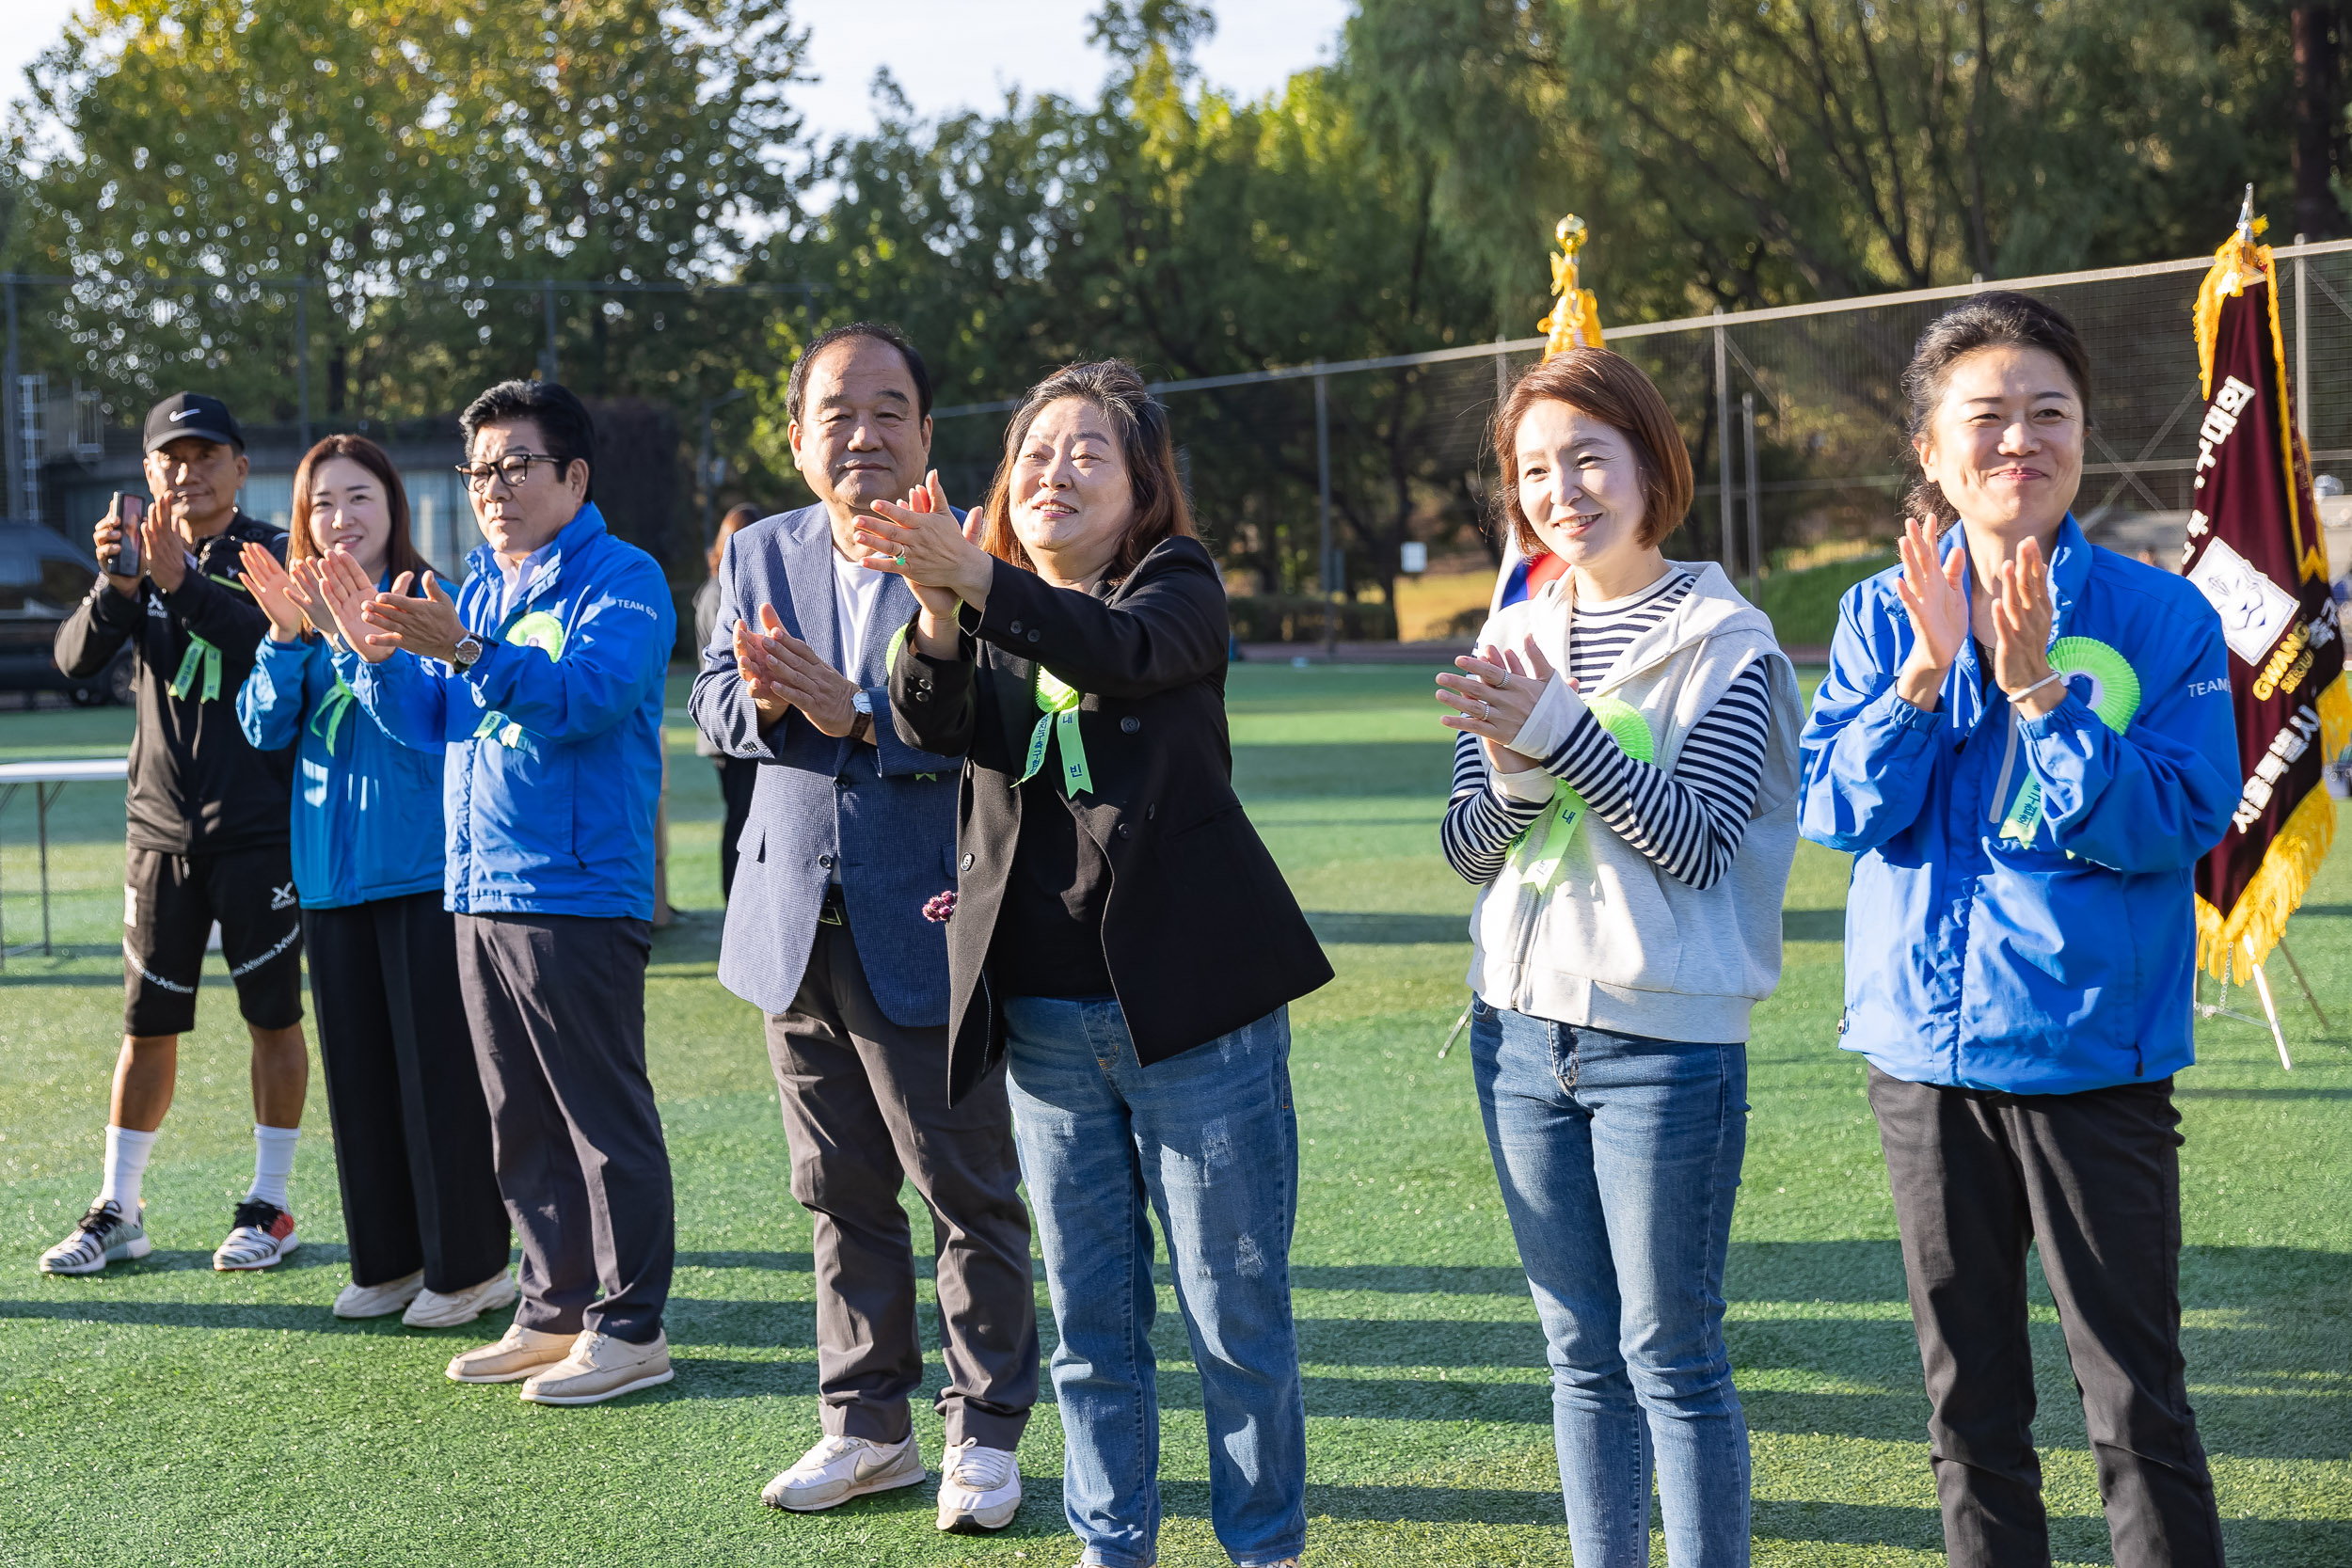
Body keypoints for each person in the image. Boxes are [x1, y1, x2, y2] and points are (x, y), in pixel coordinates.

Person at [862, 359, 1331, 1568]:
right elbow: (927, 720)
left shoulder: (1174, 584)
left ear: (1141, 487)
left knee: (1234, 1317)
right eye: (1031, 454)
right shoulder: (990, 607)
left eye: (1085, 453)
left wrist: (985, 583)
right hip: (1046, 1022)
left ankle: (1261, 1547)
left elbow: (1124, 651)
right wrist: (937, 608)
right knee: (1092, 1322)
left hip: (1194, 1016)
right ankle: (1111, 1541)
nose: (1052, 472)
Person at [1798, 293, 2239, 1565]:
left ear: (2085, 438)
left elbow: (2178, 816)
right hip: (1922, 1065)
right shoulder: (1884, 613)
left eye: (2051, 412)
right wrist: (1928, 674)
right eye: (1985, 417)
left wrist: (2041, 683)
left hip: (2092, 1059)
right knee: (1969, 1404)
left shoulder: (2167, 621)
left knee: (2135, 1404)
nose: (2020, 440)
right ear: (1931, 452)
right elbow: (1836, 806)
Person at [1434, 348, 1801, 1566]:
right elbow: (1466, 848)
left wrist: (1561, 735)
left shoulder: (1728, 641)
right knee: (1579, 1353)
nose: (1562, 489)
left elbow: (1696, 842)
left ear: (1652, 463)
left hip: (1666, 1045)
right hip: (1519, 1039)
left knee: (1672, 1355)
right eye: (1534, 469)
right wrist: (1510, 783)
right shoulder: (1515, 626)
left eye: (1588, 456)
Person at [691, 323, 1037, 1530]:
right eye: (837, 412)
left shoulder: (978, 548)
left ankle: (984, 1433)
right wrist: (773, 697)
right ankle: (865, 1423)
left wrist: (865, 720)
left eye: (889, 408)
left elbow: (1008, 716)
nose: (864, 432)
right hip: (791, 916)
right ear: (797, 441)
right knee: (836, 1189)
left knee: (964, 1186)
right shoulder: (761, 551)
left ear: (928, 434)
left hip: (929, 913)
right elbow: (711, 703)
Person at [316, 378, 679, 1407]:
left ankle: (629, 1325)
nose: (492, 486)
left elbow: (584, 699)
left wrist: (468, 649)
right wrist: (374, 657)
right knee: (518, 1118)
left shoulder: (626, 577)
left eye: (515, 465)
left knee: (601, 1119)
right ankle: (552, 1304)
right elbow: (429, 722)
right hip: (475, 887)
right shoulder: (474, 585)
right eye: (479, 469)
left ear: (574, 474)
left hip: (575, 890)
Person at [232, 435, 515, 1327]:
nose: (339, 518)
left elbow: (429, 728)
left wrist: (363, 642)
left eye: (358, 497)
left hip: (425, 871)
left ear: (392, 505)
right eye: (320, 503)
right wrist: (285, 635)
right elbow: (262, 730)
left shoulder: (432, 600)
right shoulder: (297, 613)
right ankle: (388, 1260)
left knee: (438, 1076)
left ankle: (470, 1267)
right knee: (357, 1078)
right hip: (328, 881)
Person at [41, 392, 313, 1276]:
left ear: (241, 466)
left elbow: (255, 641)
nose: (188, 472)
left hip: (259, 830)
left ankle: (271, 1203)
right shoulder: (137, 557)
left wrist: (177, 582)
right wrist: (117, 587)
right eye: (170, 458)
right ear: (149, 472)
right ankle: (119, 1207)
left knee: (272, 1016)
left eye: (206, 455)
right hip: (160, 832)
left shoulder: (274, 550)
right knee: (146, 1024)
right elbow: (74, 660)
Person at [693, 501, 762, 900]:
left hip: (728, 722)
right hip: (731, 721)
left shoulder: (715, 586)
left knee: (741, 816)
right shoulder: (722, 591)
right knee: (742, 819)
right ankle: (735, 899)